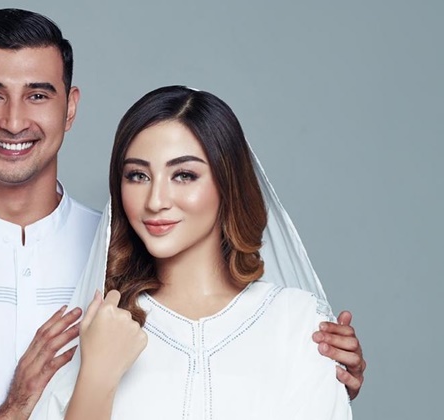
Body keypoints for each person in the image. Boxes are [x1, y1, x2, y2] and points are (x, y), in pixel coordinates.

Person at [0, 9, 364, 420]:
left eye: (38, 94)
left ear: (70, 108)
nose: (14, 120)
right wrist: (11, 411)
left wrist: (313, 364)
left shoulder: (133, 249)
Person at [32, 86, 353, 419]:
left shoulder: (299, 323)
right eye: (138, 176)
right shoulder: (100, 328)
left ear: (227, 183)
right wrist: (97, 377)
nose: (156, 200)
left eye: (184, 175)